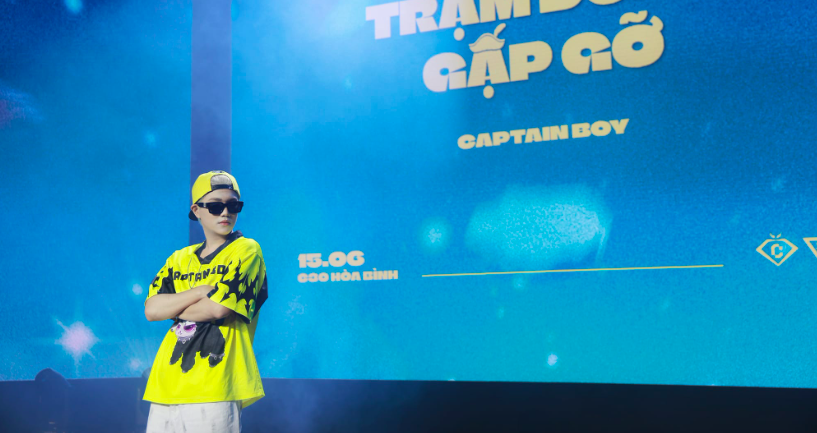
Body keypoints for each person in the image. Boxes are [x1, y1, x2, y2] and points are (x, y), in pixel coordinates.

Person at [142, 170, 267, 433]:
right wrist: (199, 291)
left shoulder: (246, 250)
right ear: (196, 210)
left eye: (233, 205)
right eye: (216, 206)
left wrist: (174, 307)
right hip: (165, 384)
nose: (225, 212)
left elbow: (218, 308)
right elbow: (152, 310)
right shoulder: (179, 258)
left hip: (216, 382)